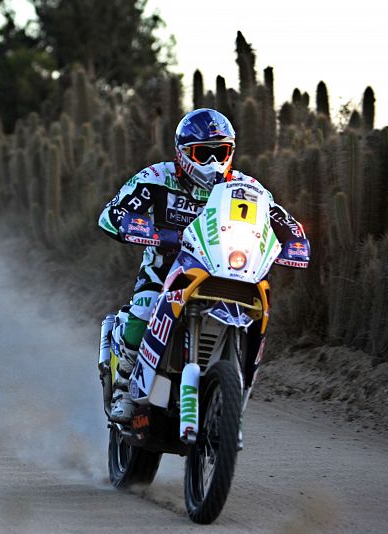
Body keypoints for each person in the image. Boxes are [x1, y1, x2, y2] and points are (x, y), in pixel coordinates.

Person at [98, 108, 310, 431]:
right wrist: (137, 226)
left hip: (225, 271)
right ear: (183, 154)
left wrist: (295, 239)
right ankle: (125, 387)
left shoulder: (246, 187)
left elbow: (281, 218)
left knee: (258, 309)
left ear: (231, 152)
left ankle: (231, 387)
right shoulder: (157, 178)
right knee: (143, 309)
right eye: (202, 153)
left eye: (220, 152)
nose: (212, 162)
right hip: (163, 273)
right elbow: (111, 213)